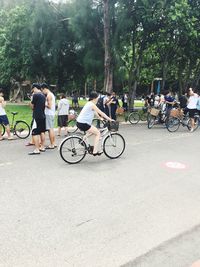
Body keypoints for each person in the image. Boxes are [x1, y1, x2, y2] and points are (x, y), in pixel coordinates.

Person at [76, 91, 113, 156]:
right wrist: (109, 119)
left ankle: (82, 140)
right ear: (94, 98)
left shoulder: (89, 103)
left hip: (80, 122)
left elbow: (95, 112)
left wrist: (100, 118)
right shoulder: (92, 104)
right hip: (83, 123)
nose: (98, 98)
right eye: (97, 97)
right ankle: (95, 151)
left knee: (92, 131)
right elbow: (101, 112)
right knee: (98, 133)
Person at [29, 83, 46, 155]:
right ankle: (42, 146)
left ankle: (36, 149)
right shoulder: (43, 95)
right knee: (42, 131)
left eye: (33, 89)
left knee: (35, 132)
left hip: (37, 116)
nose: (32, 91)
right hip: (42, 115)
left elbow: (32, 106)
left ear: (35, 88)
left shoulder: (35, 95)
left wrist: (30, 101)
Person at [41, 83, 57, 149]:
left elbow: (49, 106)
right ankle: (54, 143)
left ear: (44, 88)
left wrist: (44, 104)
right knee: (51, 129)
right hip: (51, 114)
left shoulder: (49, 96)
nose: (42, 92)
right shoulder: (51, 94)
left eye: (42, 90)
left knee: (50, 129)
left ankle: (52, 144)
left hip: (48, 114)